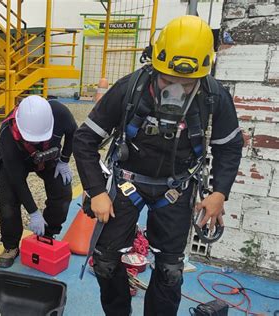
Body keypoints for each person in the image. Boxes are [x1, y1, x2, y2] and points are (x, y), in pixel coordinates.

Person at [73, 16, 243, 316]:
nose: (175, 88)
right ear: (154, 64)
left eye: (186, 83)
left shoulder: (213, 96)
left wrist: (219, 193)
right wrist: (96, 191)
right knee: (105, 261)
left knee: (169, 270)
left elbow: (229, 146)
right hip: (128, 182)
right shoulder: (130, 89)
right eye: (167, 80)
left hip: (176, 188)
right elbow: (85, 139)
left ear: (202, 74)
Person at [0, 95, 78, 268]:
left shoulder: (60, 113)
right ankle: (10, 246)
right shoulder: (7, 134)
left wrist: (64, 160)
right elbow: (18, 181)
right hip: (17, 161)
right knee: (7, 202)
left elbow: (73, 134)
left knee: (62, 193)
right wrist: (33, 212)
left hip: (49, 157)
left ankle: (47, 235)